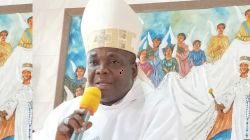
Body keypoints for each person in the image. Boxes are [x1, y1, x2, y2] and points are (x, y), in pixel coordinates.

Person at [35, 0, 185, 139]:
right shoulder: (63, 115)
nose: (101, 70)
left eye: (114, 62)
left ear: (133, 70)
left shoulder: (160, 112)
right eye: (94, 62)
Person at [214, 56, 250, 140]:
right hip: (238, 106)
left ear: (248, 66)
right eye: (242, 65)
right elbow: (231, 94)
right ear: (239, 66)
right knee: (238, 124)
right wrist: (223, 105)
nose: (243, 67)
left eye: (245, 65)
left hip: (248, 106)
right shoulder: (236, 80)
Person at [0, 63, 33, 140]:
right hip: (20, 116)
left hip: (32, 116)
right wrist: (4, 114)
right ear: (22, 74)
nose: (26, 74)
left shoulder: (33, 87)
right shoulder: (18, 87)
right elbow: (12, 101)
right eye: (24, 72)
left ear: (31, 73)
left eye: (28, 72)